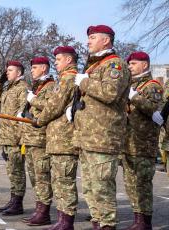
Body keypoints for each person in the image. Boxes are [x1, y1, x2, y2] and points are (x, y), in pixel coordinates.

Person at [73, 25, 131, 229]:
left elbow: (110, 93)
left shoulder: (115, 65)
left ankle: (107, 226)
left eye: (93, 37)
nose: (88, 41)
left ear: (106, 40)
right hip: (88, 137)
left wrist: (85, 83)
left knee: (102, 188)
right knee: (90, 188)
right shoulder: (94, 67)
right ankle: (98, 224)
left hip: (103, 138)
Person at [31, 47, 79, 229]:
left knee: (64, 182)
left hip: (65, 140)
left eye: (58, 59)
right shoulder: (65, 78)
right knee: (59, 182)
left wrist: (38, 121)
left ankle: (66, 222)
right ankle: (62, 220)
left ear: (68, 60)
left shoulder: (68, 78)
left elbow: (54, 106)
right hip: (59, 140)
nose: (56, 63)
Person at [123, 51, 163, 229]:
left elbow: (153, 109)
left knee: (142, 184)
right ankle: (137, 219)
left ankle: (144, 222)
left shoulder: (151, 86)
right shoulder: (131, 85)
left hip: (144, 144)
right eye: (129, 64)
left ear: (145, 65)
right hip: (129, 143)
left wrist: (133, 97)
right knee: (131, 185)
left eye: (133, 64)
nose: (130, 67)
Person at [20, 56, 55, 226]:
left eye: (34, 68)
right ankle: (39, 208)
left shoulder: (51, 86)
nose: (32, 70)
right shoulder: (38, 86)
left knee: (42, 177)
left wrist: (32, 99)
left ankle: (44, 212)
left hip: (41, 138)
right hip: (31, 138)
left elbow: (50, 106)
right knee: (35, 177)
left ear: (43, 68)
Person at [0, 60, 28, 216]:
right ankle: (13, 199)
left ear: (19, 73)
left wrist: (21, 139)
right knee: (11, 171)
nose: (7, 72)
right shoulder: (8, 89)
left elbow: (23, 113)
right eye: (7, 70)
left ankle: (18, 203)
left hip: (15, 138)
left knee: (17, 171)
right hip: (6, 137)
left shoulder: (23, 88)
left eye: (10, 70)